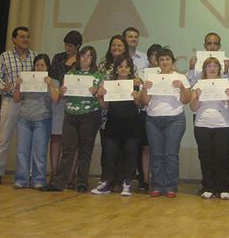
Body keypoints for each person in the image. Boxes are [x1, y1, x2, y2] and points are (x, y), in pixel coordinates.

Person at [42, 46, 103, 192]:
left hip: (90, 115)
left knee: (85, 150)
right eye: (83, 55)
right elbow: (63, 95)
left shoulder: (98, 76)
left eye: (89, 56)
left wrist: (97, 92)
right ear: (79, 57)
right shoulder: (70, 73)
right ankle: (58, 183)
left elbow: (102, 97)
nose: (85, 58)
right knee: (68, 150)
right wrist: (62, 92)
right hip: (70, 114)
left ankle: (82, 183)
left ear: (93, 59)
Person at [141, 48, 191, 198]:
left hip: (174, 119)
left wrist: (181, 87)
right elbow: (145, 101)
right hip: (153, 119)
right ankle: (156, 185)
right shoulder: (150, 77)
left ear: (172, 61)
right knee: (156, 154)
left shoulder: (181, 77)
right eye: (161, 59)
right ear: (158, 62)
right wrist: (145, 88)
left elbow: (186, 100)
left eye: (167, 59)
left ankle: (170, 186)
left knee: (170, 154)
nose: (164, 62)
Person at [92, 55, 143, 196]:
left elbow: (140, 105)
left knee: (130, 155)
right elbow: (104, 106)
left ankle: (127, 183)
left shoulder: (136, 83)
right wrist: (100, 97)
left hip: (132, 123)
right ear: (116, 68)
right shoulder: (109, 83)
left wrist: (137, 98)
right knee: (110, 155)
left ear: (130, 69)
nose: (123, 69)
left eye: (126, 66)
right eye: (120, 66)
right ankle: (106, 183)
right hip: (113, 123)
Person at [0, 26, 36, 185]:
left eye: (27, 36)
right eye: (22, 37)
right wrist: (6, 86)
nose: (25, 39)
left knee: (26, 140)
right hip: (10, 102)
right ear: (14, 40)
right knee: (4, 138)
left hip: (29, 103)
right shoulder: (5, 57)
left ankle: (26, 173)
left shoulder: (34, 57)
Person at [190, 57, 229, 199]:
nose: (212, 68)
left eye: (215, 66)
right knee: (205, 158)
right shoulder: (197, 85)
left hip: (223, 125)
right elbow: (193, 107)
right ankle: (208, 187)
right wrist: (197, 97)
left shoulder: (227, 83)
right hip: (202, 125)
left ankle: (224, 188)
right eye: (209, 66)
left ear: (219, 68)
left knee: (222, 158)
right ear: (204, 69)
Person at [12, 54, 60, 189]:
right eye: (37, 65)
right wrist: (17, 86)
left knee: (39, 152)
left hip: (42, 120)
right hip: (24, 119)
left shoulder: (53, 81)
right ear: (34, 66)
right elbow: (16, 98)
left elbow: (56, 100)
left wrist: (50, 84)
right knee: (22, 151)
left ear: (47, 67)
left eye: (42, 65)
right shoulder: (26, 79)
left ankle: (39, 180)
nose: (39, 68)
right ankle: (21, 180)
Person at [48, 30, 82, 183]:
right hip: (58, 101)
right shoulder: (58, 58)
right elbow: (53, 79)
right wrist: (57, 92)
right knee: (56, 137)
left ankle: (70, 176)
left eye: (71, 46)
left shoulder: (83, 59)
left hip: (75, 102)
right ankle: (55, 173)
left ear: (78, 46)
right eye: (66, 45)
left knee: (73, 142)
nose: (67, 48)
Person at [123, 27, 151, 192]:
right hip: (120, 107)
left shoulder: (145, 59)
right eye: (130, 36)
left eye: (135, 37)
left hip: (138, 108)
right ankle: (122, 178)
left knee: (139, 145)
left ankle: (142, 178)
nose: (133, 39)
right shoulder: (118, 59)